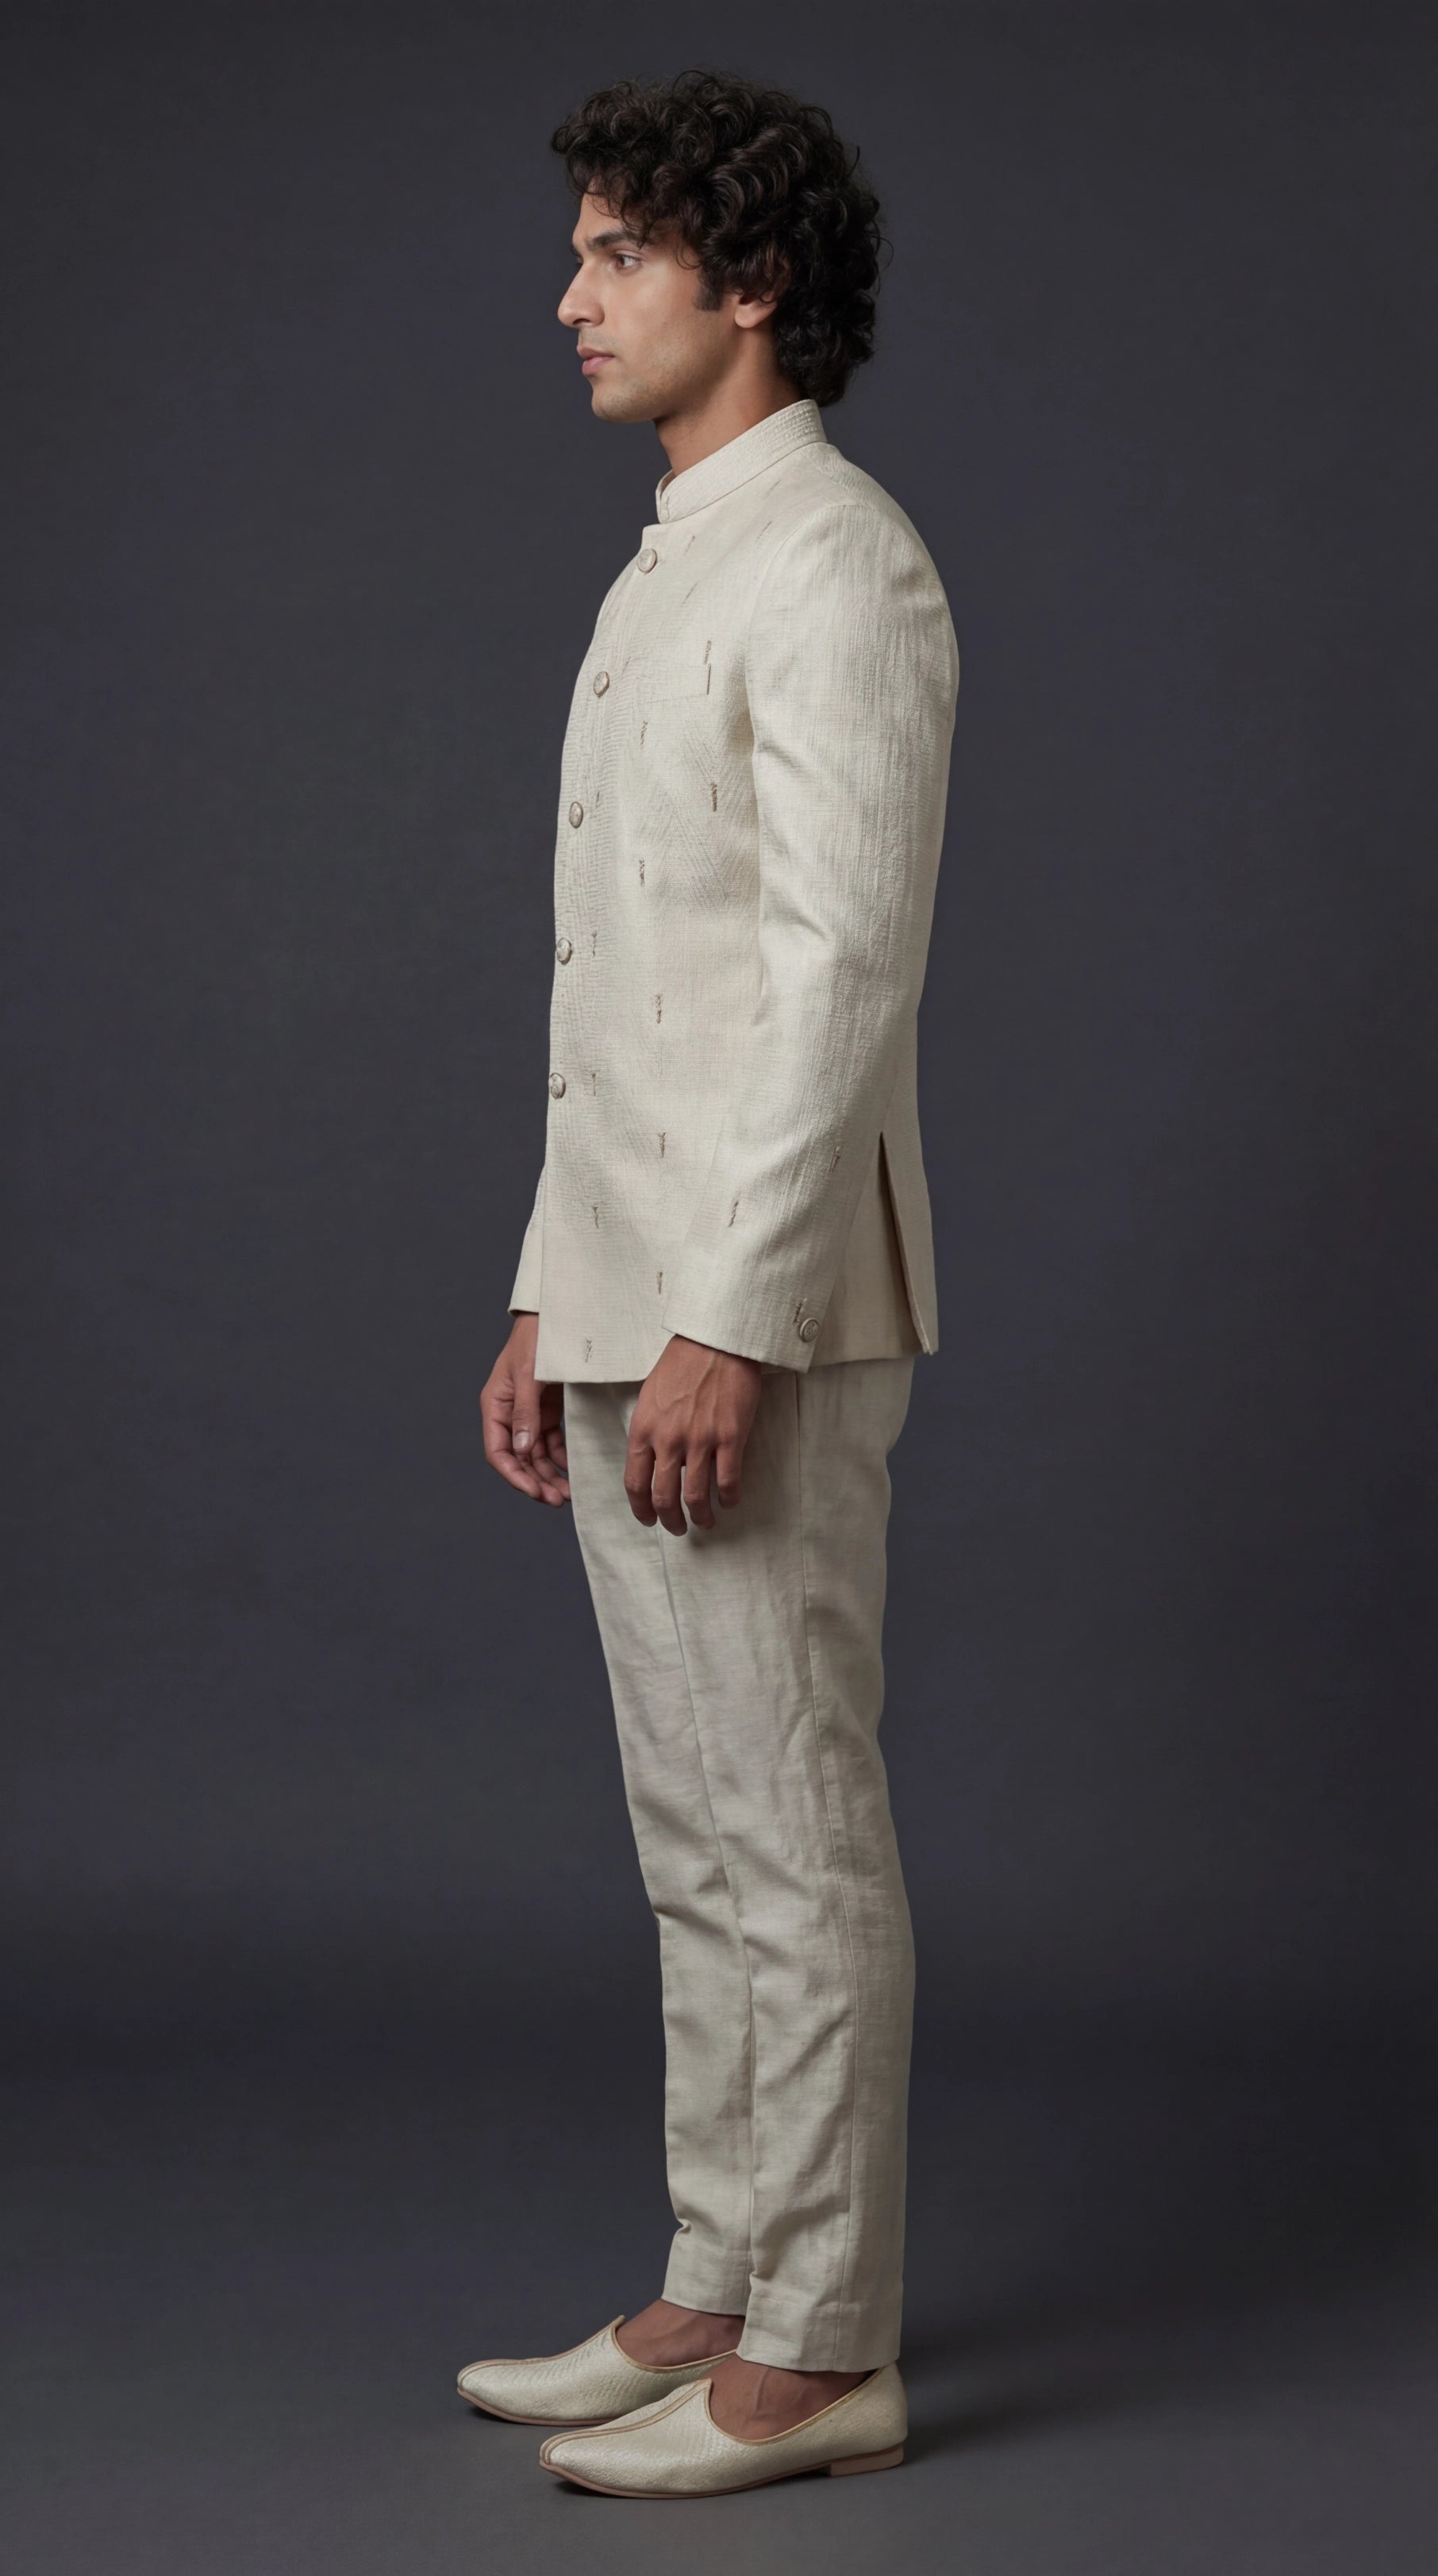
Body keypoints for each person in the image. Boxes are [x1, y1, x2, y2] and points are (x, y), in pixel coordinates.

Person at [459, 68, 959, 2500]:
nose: (568, 298)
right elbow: (632, 995)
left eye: (614, 255)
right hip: (637, 1289)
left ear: (746, 282)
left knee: (788, 1821)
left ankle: (822, 2345)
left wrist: (725, 1319)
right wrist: (555, 1291)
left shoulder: (836, 564)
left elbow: (836, 979)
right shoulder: (677, 555)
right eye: (578, 252)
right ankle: (718, 2274)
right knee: (694, 1828)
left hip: (756, 1312)